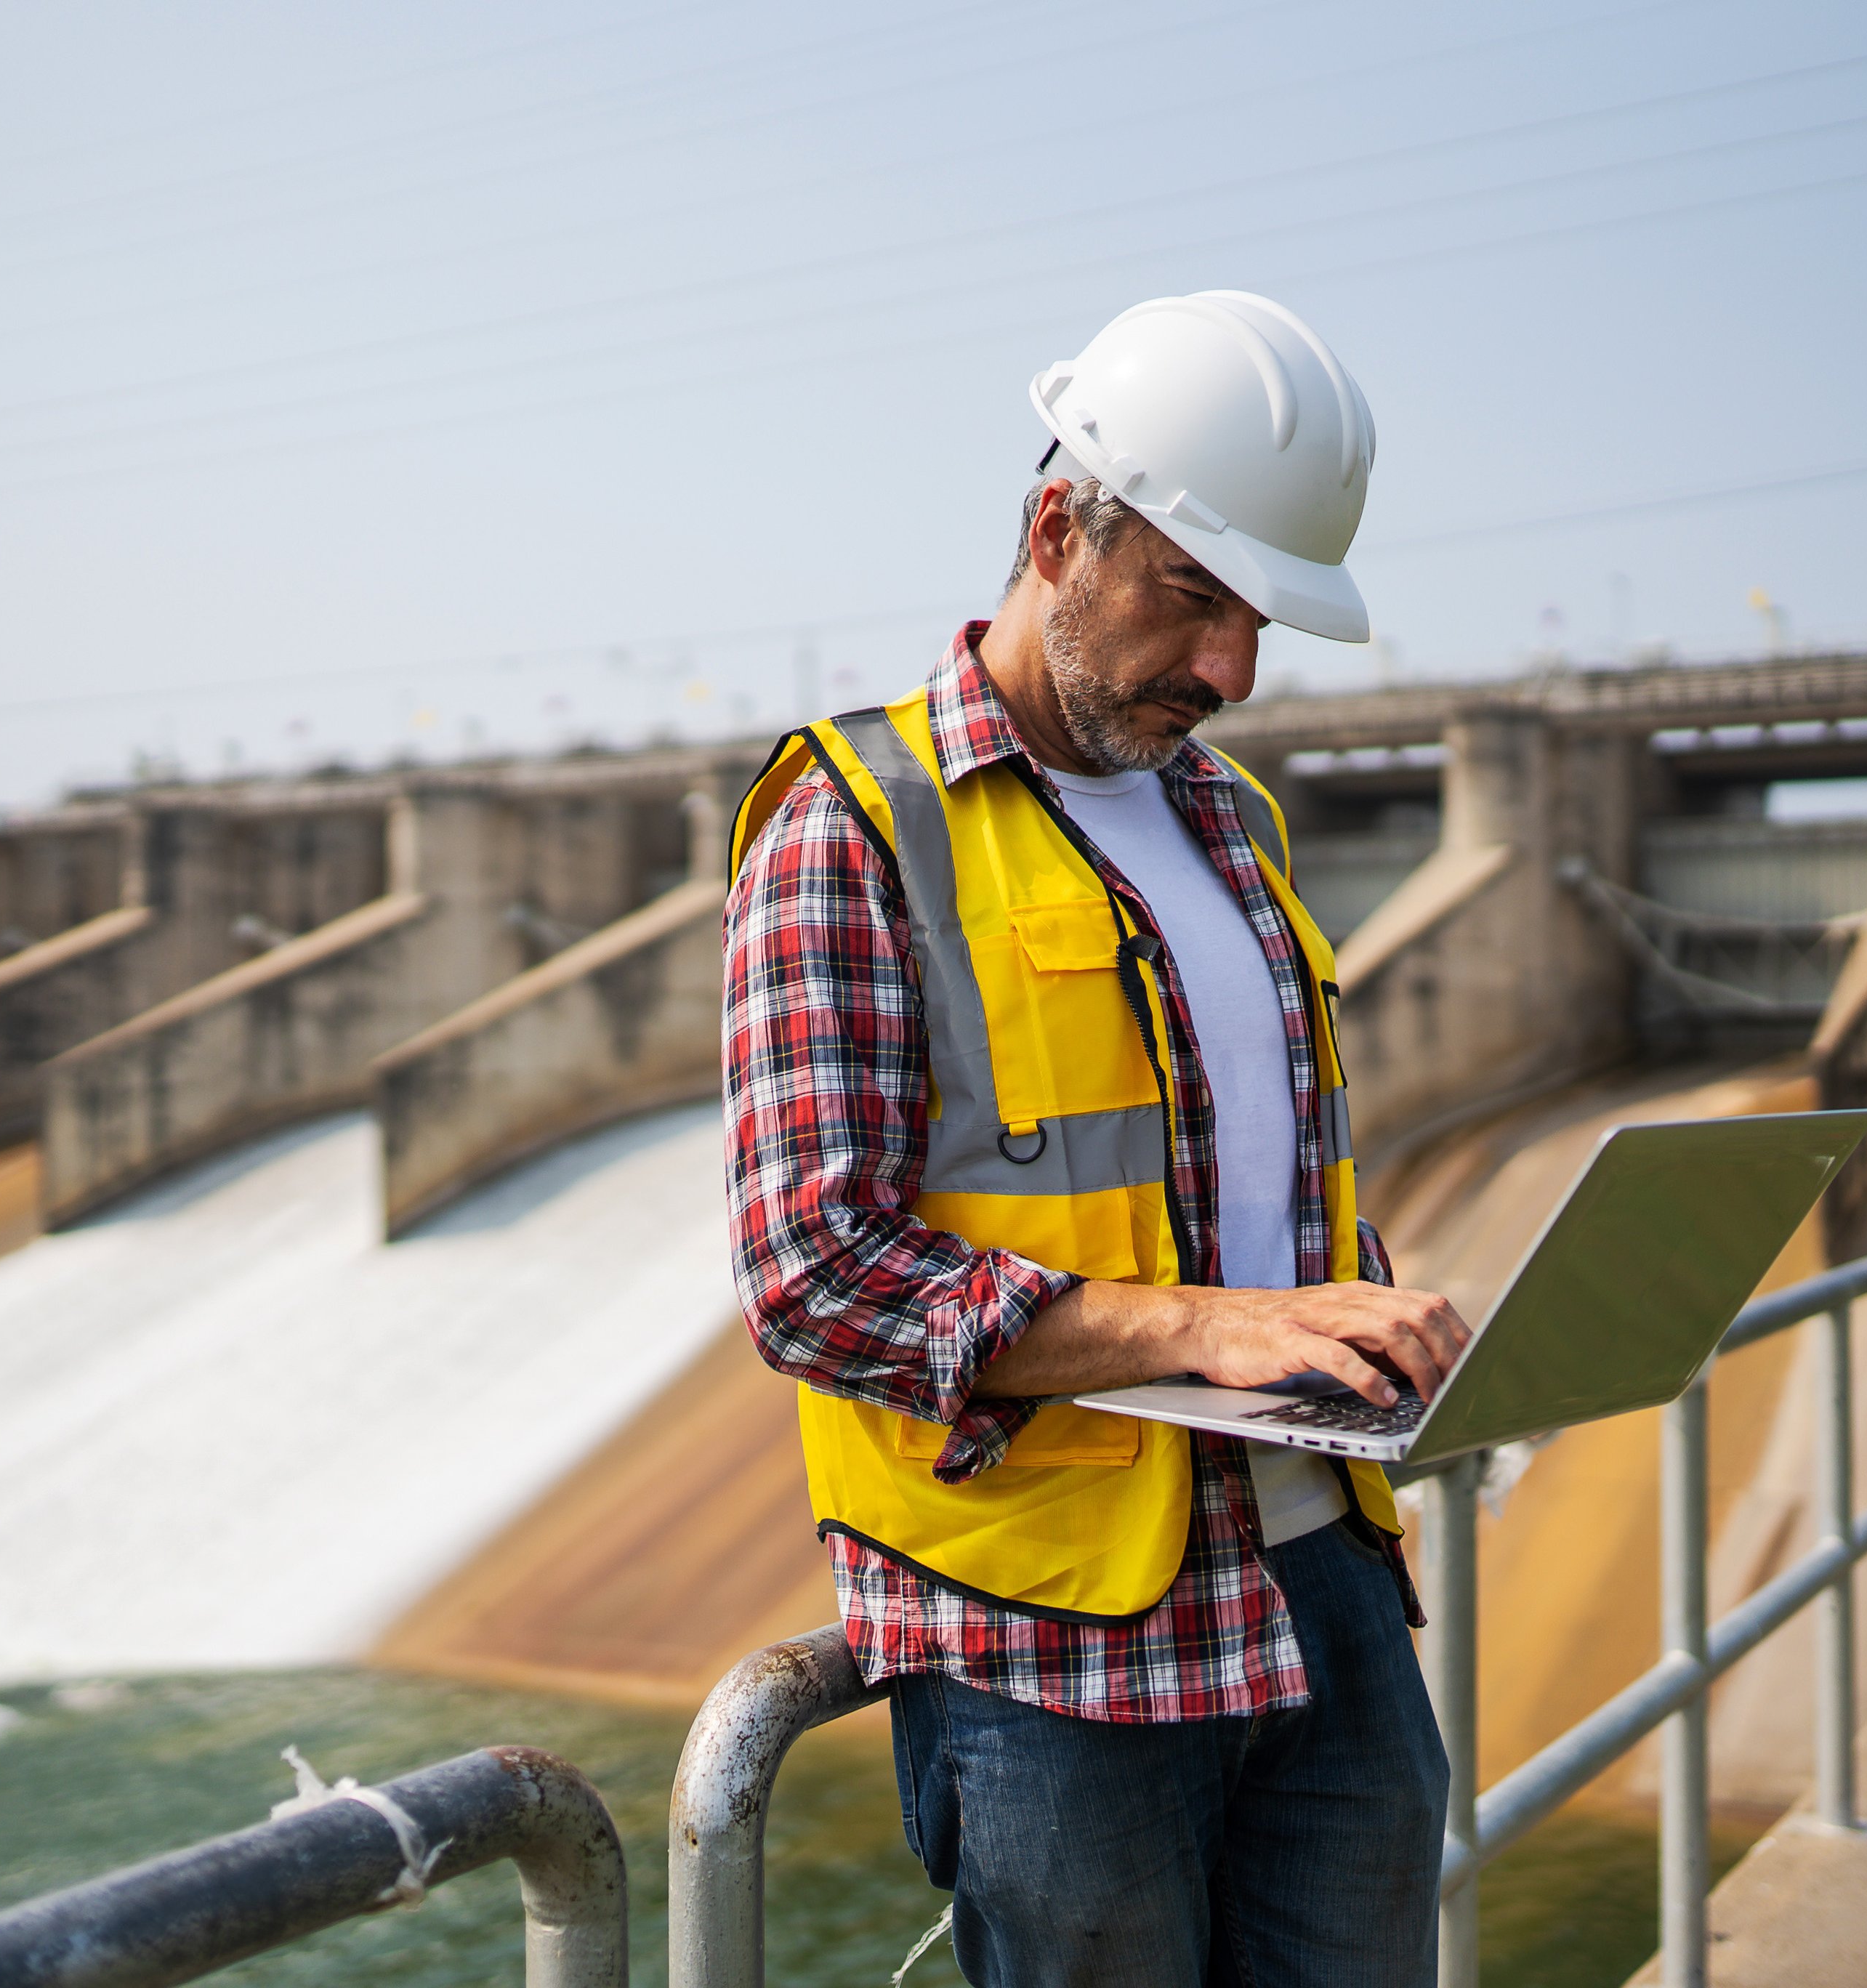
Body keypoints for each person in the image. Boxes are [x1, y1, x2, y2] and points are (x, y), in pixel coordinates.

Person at [722, 290, 1473, 1988]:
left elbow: (1256, 1207)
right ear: (1058, 530)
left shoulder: (1231, 817)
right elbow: (814, 1280)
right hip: (1056, 1651)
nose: (1229, 670)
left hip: (1327, 1589)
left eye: (1258, 619)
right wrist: (1212, 1326)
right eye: (1192, 598)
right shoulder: (851, 826)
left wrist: (1377, 1325)